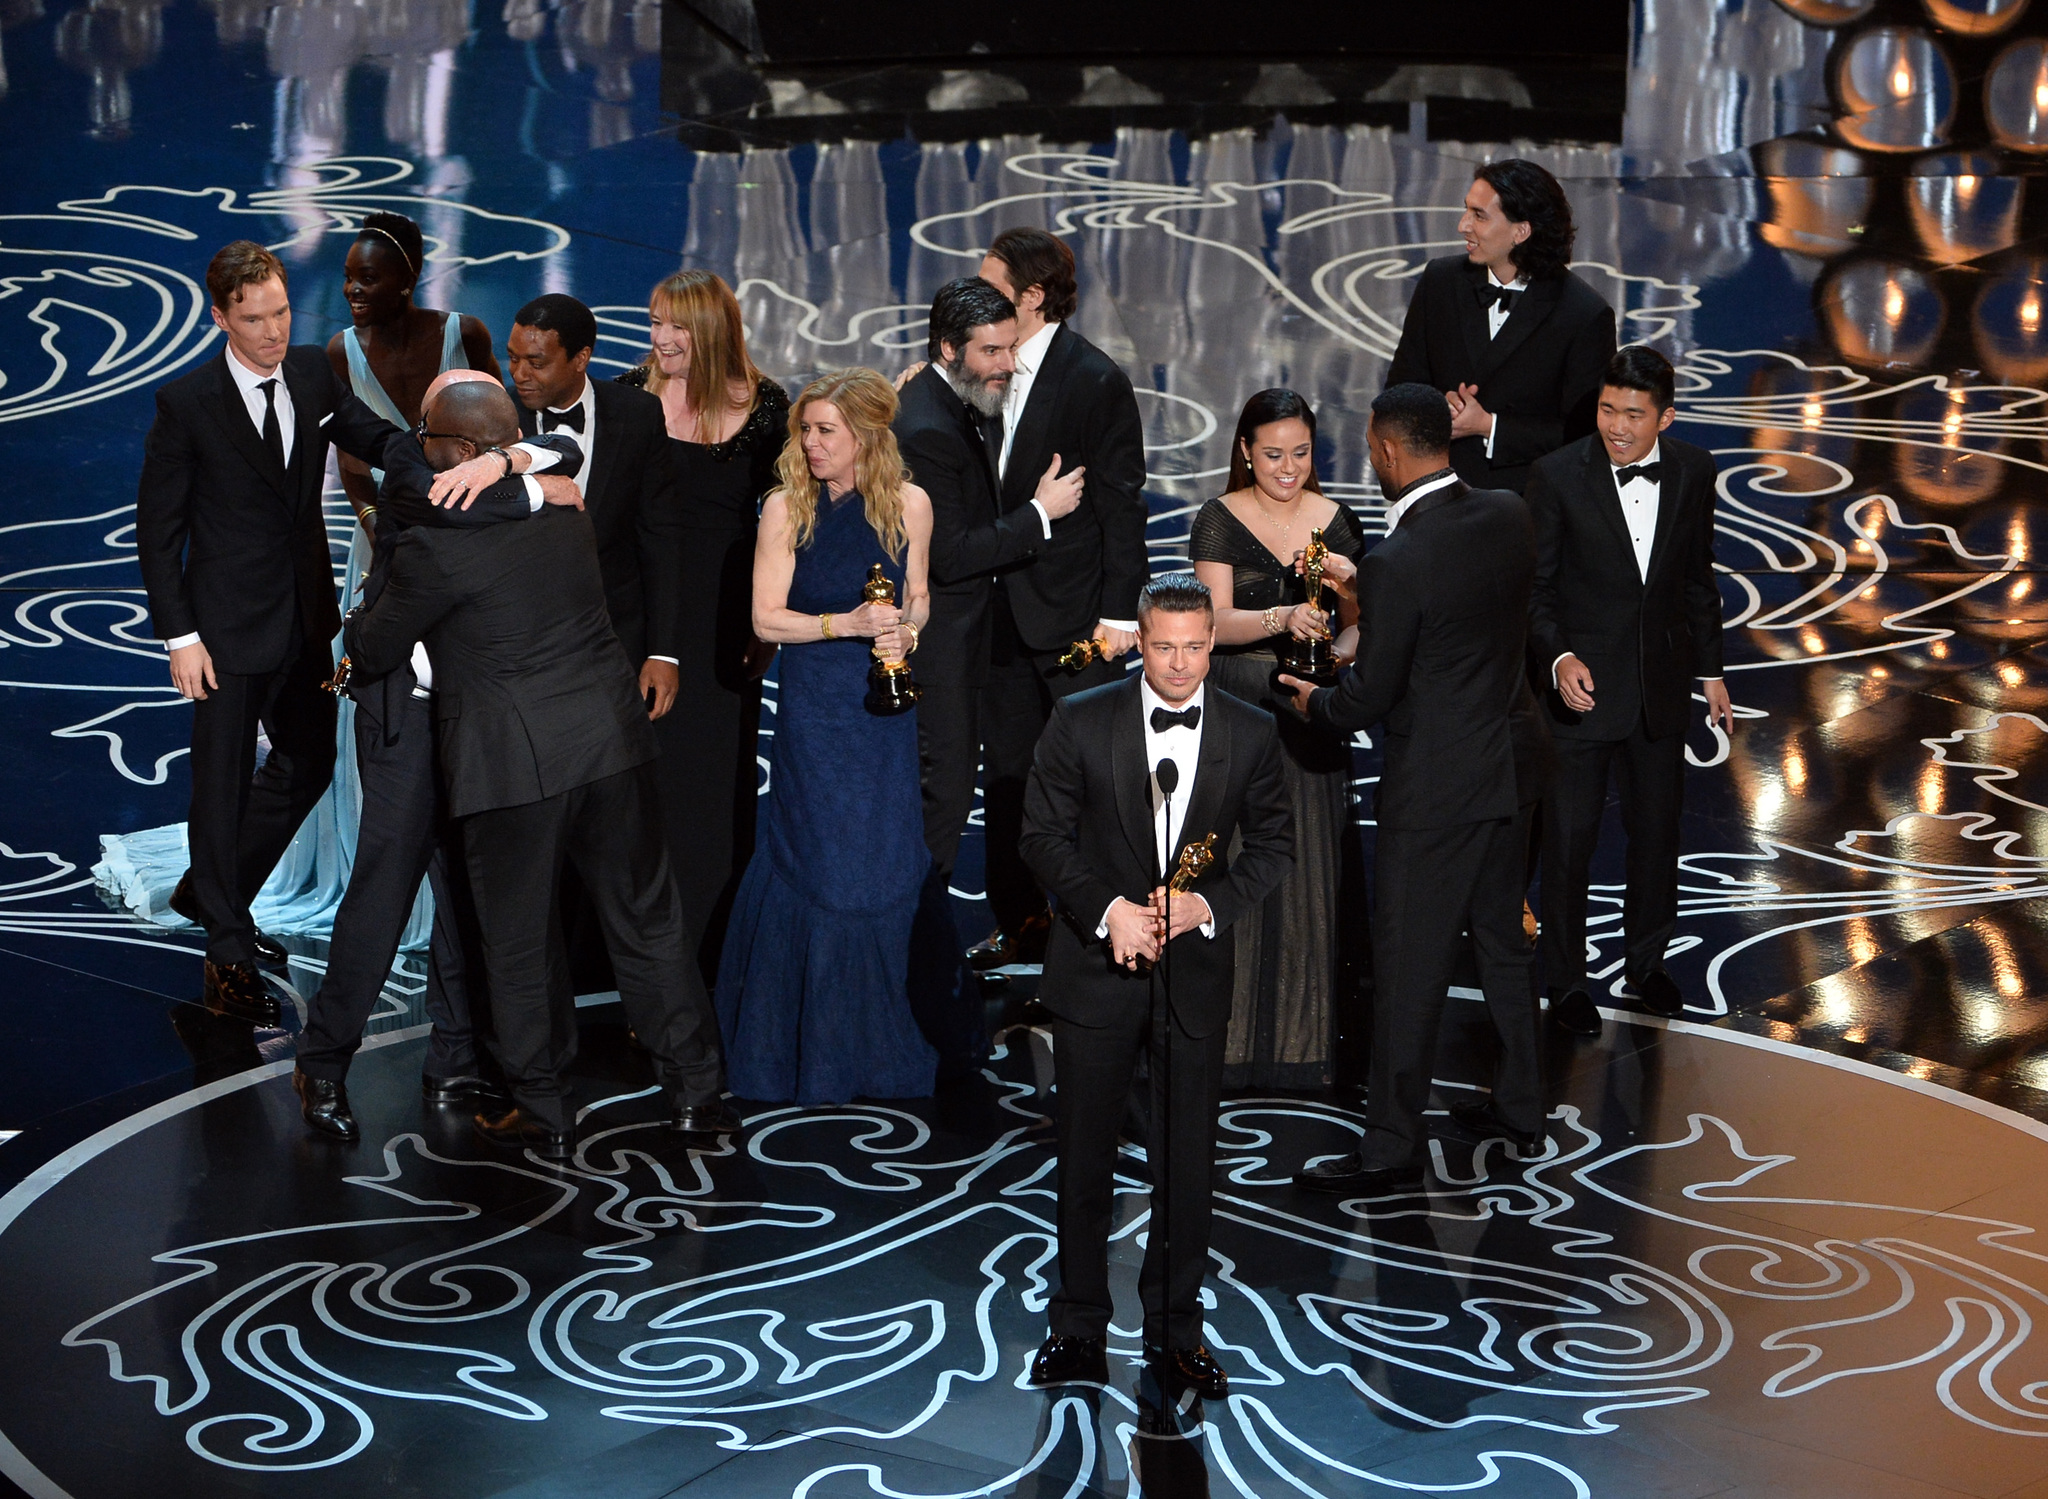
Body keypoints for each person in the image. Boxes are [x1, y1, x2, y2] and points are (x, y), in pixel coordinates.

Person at [341, 379, 739, 1161]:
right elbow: (555, 460)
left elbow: (372, 649)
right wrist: (517, 464)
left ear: (456, 455)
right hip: (611, 746)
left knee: (518, 940)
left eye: (429, 440)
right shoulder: (563, 511)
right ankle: (698, 1094)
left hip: (511, 769)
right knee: (651, 925)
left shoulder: (435, 544)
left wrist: (363, 605)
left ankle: (544, 1105)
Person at [291, 369, 585, 1141]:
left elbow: (568, 447)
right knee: (384, 890)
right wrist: (529, 488)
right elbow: (512, 488)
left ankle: (453, 1056)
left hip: (480, 723)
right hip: (406, 722)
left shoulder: (496, 465)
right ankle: (322, 1061)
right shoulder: (414, 488)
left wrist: (515, 465)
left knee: (465, 892)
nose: (418, 443)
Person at [1018, 572, 1292, 1401]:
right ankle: (1075, 1329)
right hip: (1096, 973)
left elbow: (1274, 844)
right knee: (1084, 1157)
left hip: (1194, 977)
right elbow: (1039, 835)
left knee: (1187, 1163)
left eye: (1196, 646)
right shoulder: (1079, 718)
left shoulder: (1250, 731)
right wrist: (1111, 911)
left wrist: (1202, 905)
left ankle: (1177, 1334)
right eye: (1164, 646)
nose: (1180, 664)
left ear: (1213, 641)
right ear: (1140, 640)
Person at [1278, 383, 1548, 1194]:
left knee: (1407, 966)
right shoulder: (1507, 510)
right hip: (1515, 764)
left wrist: (1309, 698)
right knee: (1502, 942)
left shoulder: (1400, 560)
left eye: (1368, 448)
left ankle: (1388, 1148)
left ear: (1389, 452)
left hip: (1437, 791)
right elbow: (1462, 627)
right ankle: (1524, 1108)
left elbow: (1370, 698)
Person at [133, 240, 407, 1027]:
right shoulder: (186, 403)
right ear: (220, 317)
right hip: (219, 632)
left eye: (282, 311)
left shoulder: (314, 372)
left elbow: (364, 431)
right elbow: (159, 532)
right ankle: (227, 951)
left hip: (303, 616)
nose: (273, 332)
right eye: (253, 319)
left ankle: (214, 890)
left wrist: (440, 459)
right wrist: (179, 636)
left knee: (310, 758)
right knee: (217, 789)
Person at [715, 368, 944, 1105]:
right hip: (817, 708)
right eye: (805, 430)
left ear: (867, 437)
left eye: (826, 432)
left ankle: (879, 1046)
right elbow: (764, 619)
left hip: (885, 706)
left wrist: (904, 633)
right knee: (819, 854)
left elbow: (919, 596)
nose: (810, 443)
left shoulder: (911, 503)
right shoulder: (786, 508)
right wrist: (842, 624)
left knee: (881, 853)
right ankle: (796, 1047)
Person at [1528, 345, 1732, 1035]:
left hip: (1661, 690)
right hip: (1581, 694)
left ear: (1665, 418)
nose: (1617, 425)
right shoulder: (1555, 476)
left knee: (1656, 835)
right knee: (1569, 841)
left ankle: (1647, 964)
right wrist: (1557, 658)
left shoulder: (1694, 471)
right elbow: (1537, 592)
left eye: (1633, 414)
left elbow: (1697, 578)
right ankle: (1566, 979)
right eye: (1608, 408)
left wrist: (1711, 669)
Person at [969, 226, 1148, 970]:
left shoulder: (1093, 379)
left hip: (1076, 620)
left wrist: (1116, 616)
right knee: (1009, 777)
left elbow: (1121, 508)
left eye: (991, 283)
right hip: (995, 617)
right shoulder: (975, 364)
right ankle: (1021, 923)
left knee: (1092, 783)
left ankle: (1104, 932)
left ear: (1033, 296)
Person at [1189, 389, 1368, 1092]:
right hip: (1238, 703)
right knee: (1232, 857)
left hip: (1311, 710)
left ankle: (1305, 1040)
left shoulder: (1336, 521)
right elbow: (1212, 621)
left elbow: (1362, 622)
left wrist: (1341, 646)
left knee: (1309, 867)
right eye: (1272, 454)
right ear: (1244, 451)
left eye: (1300, 453)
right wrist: (1283, 615)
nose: (1288, 467)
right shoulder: (1219, 518)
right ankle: (1226, 1040)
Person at [506, 292, 683, 990]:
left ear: (582, 358)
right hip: (518, 661)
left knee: (618, 831)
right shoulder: (491, 416)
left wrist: (663, 650)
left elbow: (659, 539)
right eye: (514, 357)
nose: (521, 373)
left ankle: (612, 974)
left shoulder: (637, 414)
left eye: (538, 361)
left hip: (613, 655)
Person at [616, 270, 789, 974]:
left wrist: (765, 623)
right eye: (656, 320)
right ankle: (627, 950)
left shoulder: (768, 406)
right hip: (640, 611)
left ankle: (704, 948)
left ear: (711, 330)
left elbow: (783, 522)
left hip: (722, 617)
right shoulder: (629, 397)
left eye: (676, 326)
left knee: (709, 788)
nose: (660, 338)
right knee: (633, 782)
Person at [894, 275, 1086, 881]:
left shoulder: (958, 398)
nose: (1009, 365)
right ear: (949, 349)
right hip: (938, 648)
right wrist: (1039, 514)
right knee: (941, 796)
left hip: (969, 642)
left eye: (1010, 348)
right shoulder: (927, 427)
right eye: (992, 352)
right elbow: (948, 555)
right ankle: (912, 947)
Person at [1386, 158, 1616, 495]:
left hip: (1525, 506)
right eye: (1467, 211)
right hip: (1436, 493)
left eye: (1479, 216)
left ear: (1521, 231)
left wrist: (1489, 426)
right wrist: (1436, 407)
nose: (1463, 225)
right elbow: (1400, 387)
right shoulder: (1440, 281)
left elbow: (1584, 435)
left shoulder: (1584, 315)